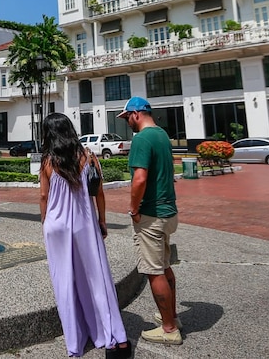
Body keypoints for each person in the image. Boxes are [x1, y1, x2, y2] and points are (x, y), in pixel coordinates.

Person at [39, 113, 132, 359]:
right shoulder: (88, 157)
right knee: (96, 279)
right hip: (84, 225)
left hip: (56, 227)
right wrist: (102, 220)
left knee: (65, 283)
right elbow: (98, 193)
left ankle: (75, 342)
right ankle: (113, 337)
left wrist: (44, 222)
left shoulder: (47, 161)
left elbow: (43, 197)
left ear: (49, 133)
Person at [119, 96, 182, 346]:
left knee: (154, 272)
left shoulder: (142, 138)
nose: (127, 123)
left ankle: (168, 329)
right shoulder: (162, 135)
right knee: (165, 266)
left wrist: (134, 209)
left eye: (127, 118)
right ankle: (172, 317)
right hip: (169, 212)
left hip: (152, 215)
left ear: (136, 114)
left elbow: (140, 179)